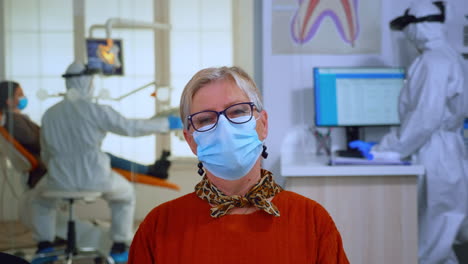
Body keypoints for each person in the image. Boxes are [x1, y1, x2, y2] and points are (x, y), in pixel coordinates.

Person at [128, 66, 349, 263]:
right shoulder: (159, 227)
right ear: (191, 140)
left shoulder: (311, 221)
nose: (224, 128)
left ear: (263, 124)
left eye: (237, 112)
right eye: (205, 119)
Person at [350, 2, 468, 263]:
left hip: (435, 154)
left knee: (430, 245)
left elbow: (426, 118)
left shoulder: (432, 61)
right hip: (448, 152)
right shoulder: (451, 56)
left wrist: (385, 149)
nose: (407, 36)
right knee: (440, 240)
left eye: (408, 28)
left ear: (419, 26)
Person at [31, 61, 182, 263]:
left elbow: (46, 153)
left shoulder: (50, 114)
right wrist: (167, 123)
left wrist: (57, 171)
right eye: (91, 80)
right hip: (96, 178)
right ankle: (119, 248)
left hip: (59, 179)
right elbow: (130, 128)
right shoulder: (96, 110)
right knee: (125, 195)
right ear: (86, 82)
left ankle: (44, 249)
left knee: (40, 201)